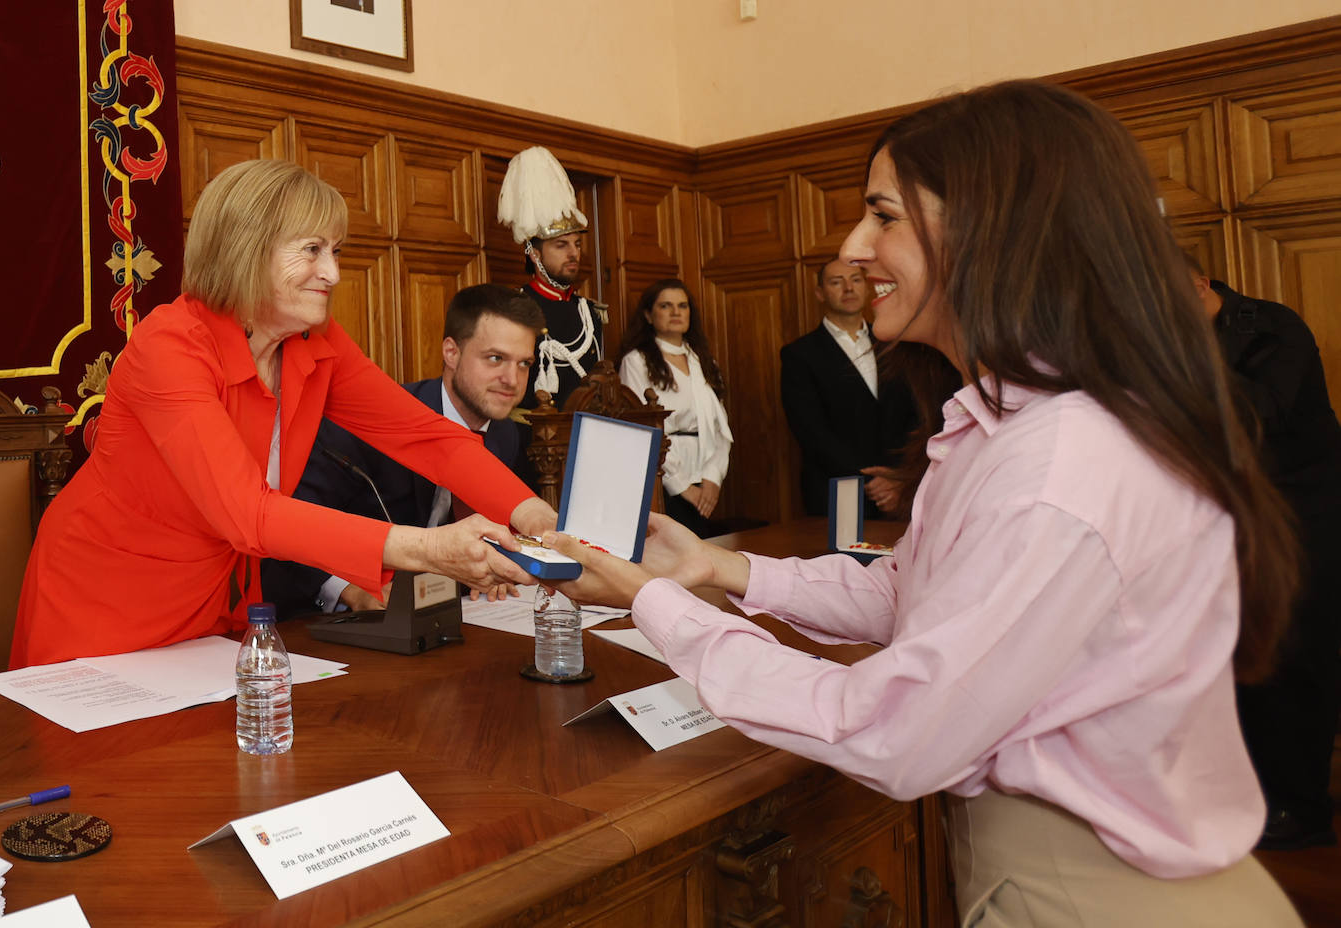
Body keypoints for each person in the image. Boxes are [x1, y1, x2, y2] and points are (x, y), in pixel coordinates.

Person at [544, 81, 1305, 925]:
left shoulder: (1066, 465)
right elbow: (913, 591)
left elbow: (890, 730)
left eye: (884, 216)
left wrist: (650, 602)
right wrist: (718, 569)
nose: (853, 246)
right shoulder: (1005, 423)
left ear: (996, 228)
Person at [11, 160, 553, 669]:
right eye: (313, 250)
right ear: (245, 250)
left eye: (335, 251)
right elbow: (248, 513)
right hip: (102, 602)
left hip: (211, 609)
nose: (333, 273)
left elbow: (427, 435)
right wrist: (428, 549)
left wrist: (534, 516)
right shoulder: (170, 344)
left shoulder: (316, 342)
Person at [261, 283, 545, 617]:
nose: (512, 379)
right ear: (451, 352)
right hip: (350, 619)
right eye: (496, 358)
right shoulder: (373, 422)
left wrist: (499, 567)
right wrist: (347, 590)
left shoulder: (506, 434)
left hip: (457, 615)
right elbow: (295, 523)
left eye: (524, 364)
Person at [1187, 254, 1341, 850]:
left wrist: (1183, 355)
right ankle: (1249, 796)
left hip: (1308, 515)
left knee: (1299, 658)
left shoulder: (1275, 327)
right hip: (1233, 516)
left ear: (1201, 287)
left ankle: (1303, 811)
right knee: (1240, 655)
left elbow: (1262, 412)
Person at [780, 259, 922, 518]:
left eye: (856, 280)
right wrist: (870, 481)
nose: (848, 288)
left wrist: (898, 476)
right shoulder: (799, 355)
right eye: (836, 282)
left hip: (899, 489)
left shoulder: (895, 346)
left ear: (867, 288)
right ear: (820, 293)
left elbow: (915, 414)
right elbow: (810, 430)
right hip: (836, 491)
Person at [618, 279, 733, 537]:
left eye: (682, 305)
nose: (676, 312)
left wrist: (713, 479)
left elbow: (720, 427)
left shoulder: (703, 361)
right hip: (663, 478)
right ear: (649, 315)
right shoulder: (637, 361)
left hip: (705, 476)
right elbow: (644, 429)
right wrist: (681, 486)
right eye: (666, 306)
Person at [497, 146, 605, 412]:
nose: (573, 253)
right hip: (529, 442)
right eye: (561, 245)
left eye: (577, 244)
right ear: (534, 254)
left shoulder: (590, 312)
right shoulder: (513, 308)